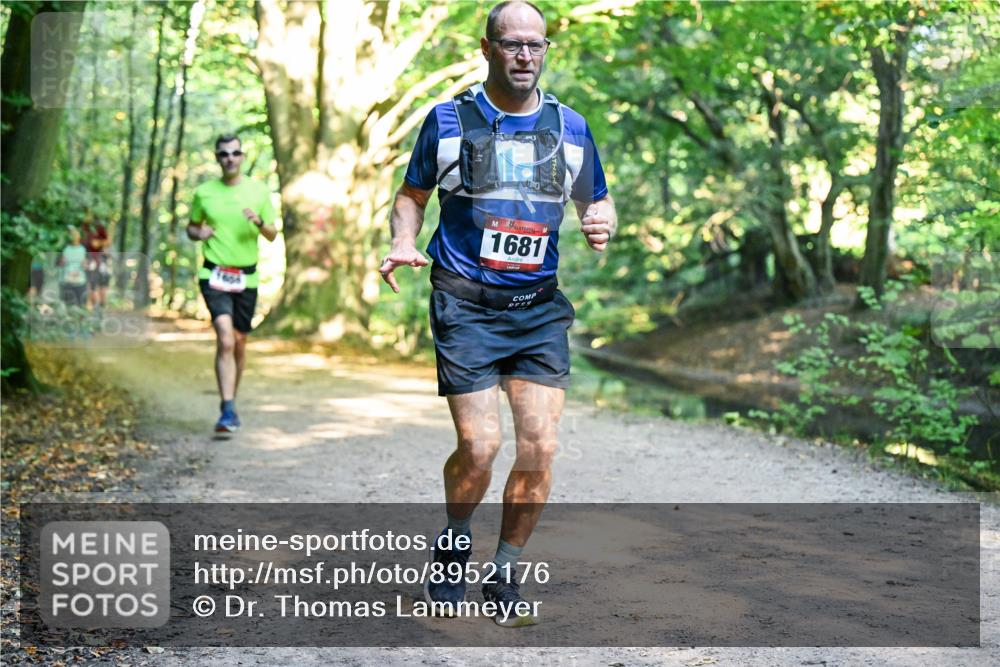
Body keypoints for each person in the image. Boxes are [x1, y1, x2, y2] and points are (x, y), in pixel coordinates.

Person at [380, 1, 616, 627]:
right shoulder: (449, 121)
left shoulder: (570, 128)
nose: (524, 56)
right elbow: (411, 197)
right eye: (511, 44)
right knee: (480, 446)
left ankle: (506, 567)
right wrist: (405, 239)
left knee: (539, 447)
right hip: (466, 303)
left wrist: (601, 221)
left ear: (545, 51)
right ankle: (456, 543)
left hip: (538, 309)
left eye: (535, 46)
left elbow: (598, 199)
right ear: (486, 48)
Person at [186, 134, 279, 433]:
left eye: (235, 153)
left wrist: (259, 222)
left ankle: (231, 402)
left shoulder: (259, 191)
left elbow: (272, 233)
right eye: (224, 154)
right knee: (225, 338)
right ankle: (226, 409)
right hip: (213, 275)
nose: (230, 158)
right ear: (217, 158)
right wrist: (198, 234)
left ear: (241, 157)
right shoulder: (204, 193)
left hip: (246, 277)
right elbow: (192, 226)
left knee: (239, 342)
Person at [82, 210, 111, 311]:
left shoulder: (100, 228)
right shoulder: (84, 229)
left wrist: (99, 243)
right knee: (90, 285)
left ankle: (102, 305)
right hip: (89, 260)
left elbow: (107, 242)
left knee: (102, 283)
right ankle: (94, 306)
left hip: (100, 260)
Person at [58, 226, 89, 309]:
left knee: (80, 304)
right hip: (67, 280)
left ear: (79, 236)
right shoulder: (65, 249)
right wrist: (62, 262)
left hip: (80, 280)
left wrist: (84, 265)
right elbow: (60, 264)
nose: (74, 236)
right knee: (68, 304)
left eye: (75, 234)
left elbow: (86, 266)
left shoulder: (83, 249)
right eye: (72, 234)